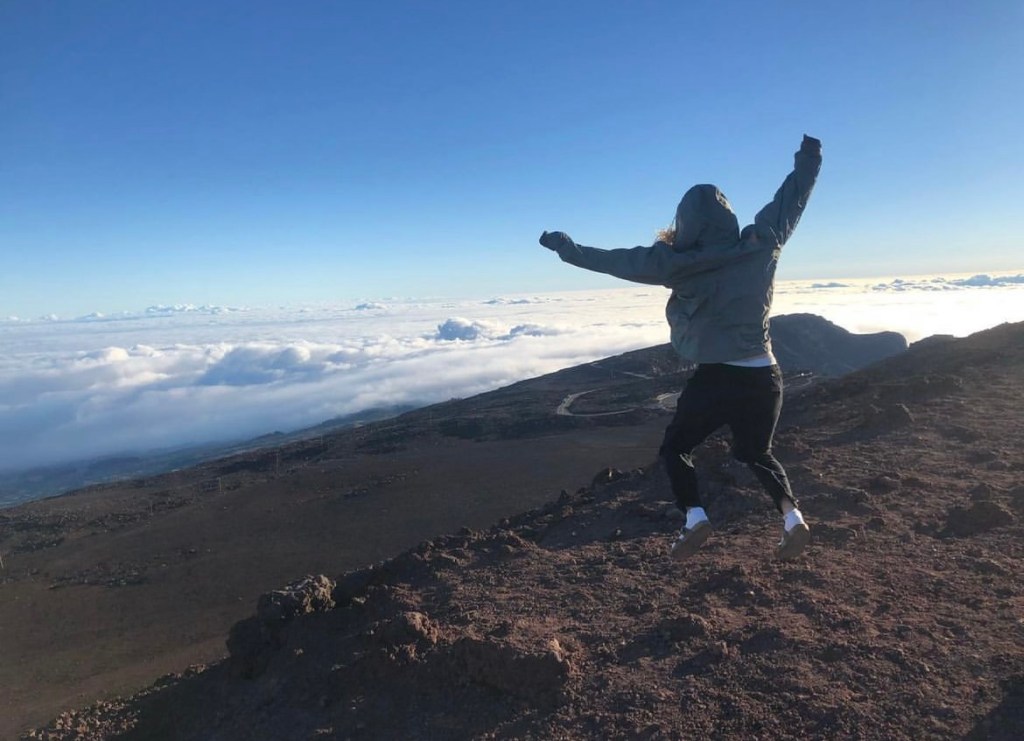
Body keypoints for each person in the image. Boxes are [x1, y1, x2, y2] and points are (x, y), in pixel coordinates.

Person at [540, 134, 822, 561]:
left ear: (684, 222)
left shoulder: (674, 262)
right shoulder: (762, 243)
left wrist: (567, 249)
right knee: (756, 453)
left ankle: (695, 518)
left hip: (716, 376)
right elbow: (792, 198)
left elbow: (617, 261)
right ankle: (792, 517)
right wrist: (809, 157)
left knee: (676, 447)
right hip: (765, 374)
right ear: (728, 217)